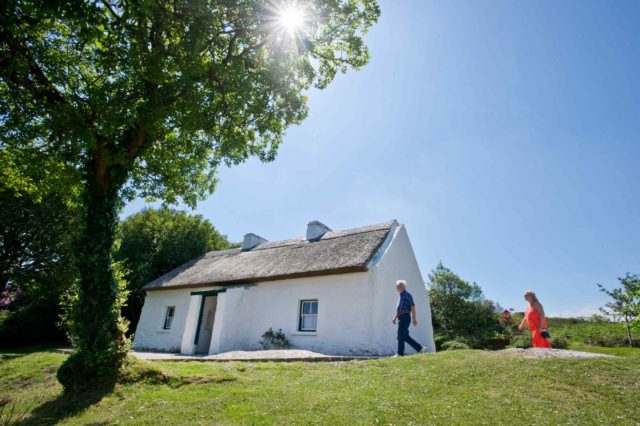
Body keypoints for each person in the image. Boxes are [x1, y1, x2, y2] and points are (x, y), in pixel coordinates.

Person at [392, 280, 427, 356]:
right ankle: (421, 349)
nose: (396, 287)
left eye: (397, 286)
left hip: (405, 318)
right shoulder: (401, 296)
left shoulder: (407, 295)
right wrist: (395, 317)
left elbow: (412, 306)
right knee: (405, 337)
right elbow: (399, 309)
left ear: (402, 287)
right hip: (401, 318)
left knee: (400, 335)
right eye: (396, 286)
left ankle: (400, 354)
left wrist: (414, 318)